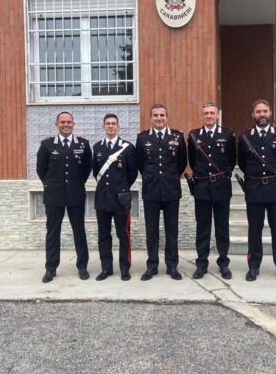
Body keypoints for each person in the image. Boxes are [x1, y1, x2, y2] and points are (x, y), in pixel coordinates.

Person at [238, 99, 276, 283]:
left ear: (270, 113)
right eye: (258, 111)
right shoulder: (245, 137)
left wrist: (273, 177)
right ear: (253, 114)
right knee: (254, 230)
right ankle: (254, 266)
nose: (262, 114)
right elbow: (243, 164)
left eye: (265, 111)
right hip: (254, 189)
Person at [36, 112, 92, 283]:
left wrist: (75, 184)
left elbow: (86, 169)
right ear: (56, 124)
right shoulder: (46, 145)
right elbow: (41, 170)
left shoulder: (83, 144)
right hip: (54, 196)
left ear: (73, 124)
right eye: (63, 122)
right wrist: (52, 185)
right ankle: (51, 268)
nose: (66, 125)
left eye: (69, 122)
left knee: (79, 232)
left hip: (76, 195)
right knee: (53, 233)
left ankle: (82, 267)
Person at [136, 103, 188, 281]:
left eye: (162, 115)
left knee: (171, 231)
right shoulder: (142, 138)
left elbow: (181, 163)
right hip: (151, 191)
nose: (159, 118)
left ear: (167, 117)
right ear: (151, 118)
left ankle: (172, 266)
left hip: (171, 191)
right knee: (152, 231)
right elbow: (140, 164)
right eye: (156, 115)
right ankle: (152, 266)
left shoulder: (177, 136)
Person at [187, 102, 236, 280]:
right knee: (203, 228)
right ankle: (201, 264)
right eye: (206, 113)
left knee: (222, 228)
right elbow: (192, 161)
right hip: (202, 189)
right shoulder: (194, 136)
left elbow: (231, 159)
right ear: (202, 115)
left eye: (212, 113)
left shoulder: (228, 134)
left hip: (222, 187)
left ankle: (223, 263)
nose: (209, 116)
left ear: (217, 115)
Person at [92, 114, 138, 281]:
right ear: (103, 127)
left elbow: (132, 173)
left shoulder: (128, 148)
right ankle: (106, 268)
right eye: (108, 124)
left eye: (113, 124)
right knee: (103, 236)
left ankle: (125, 268)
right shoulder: (97, 147)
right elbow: (95, 172)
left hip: (120, 200)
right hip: (102, 199)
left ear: (118, 126)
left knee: (123, 235)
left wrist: (122, 188)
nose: (110, 126)